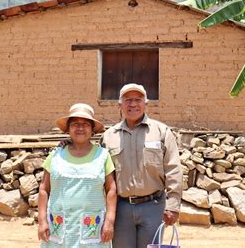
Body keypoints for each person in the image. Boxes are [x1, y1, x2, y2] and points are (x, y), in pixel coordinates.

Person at [100, 83, 183, 248]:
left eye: (138, 99)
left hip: (153, 207)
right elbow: (98, 171)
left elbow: (173, 169)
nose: (133, 104)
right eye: (127, 100)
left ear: (146, 104)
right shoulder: (108, 137)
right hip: (121, 208)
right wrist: (66, 145)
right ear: (120, 105)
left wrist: (173, 205)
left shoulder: (161, 131)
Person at [38, 103, 117, 247]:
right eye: (75, 124)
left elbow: (111, 190)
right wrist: (42, 220)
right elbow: (44, 188)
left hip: (93, 229)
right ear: (68, 129)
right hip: (58, 228)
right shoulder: (55, 155)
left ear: (92, 129)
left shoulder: (103, 156)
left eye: (85, 124)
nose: (80, 128)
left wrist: (109, 221)